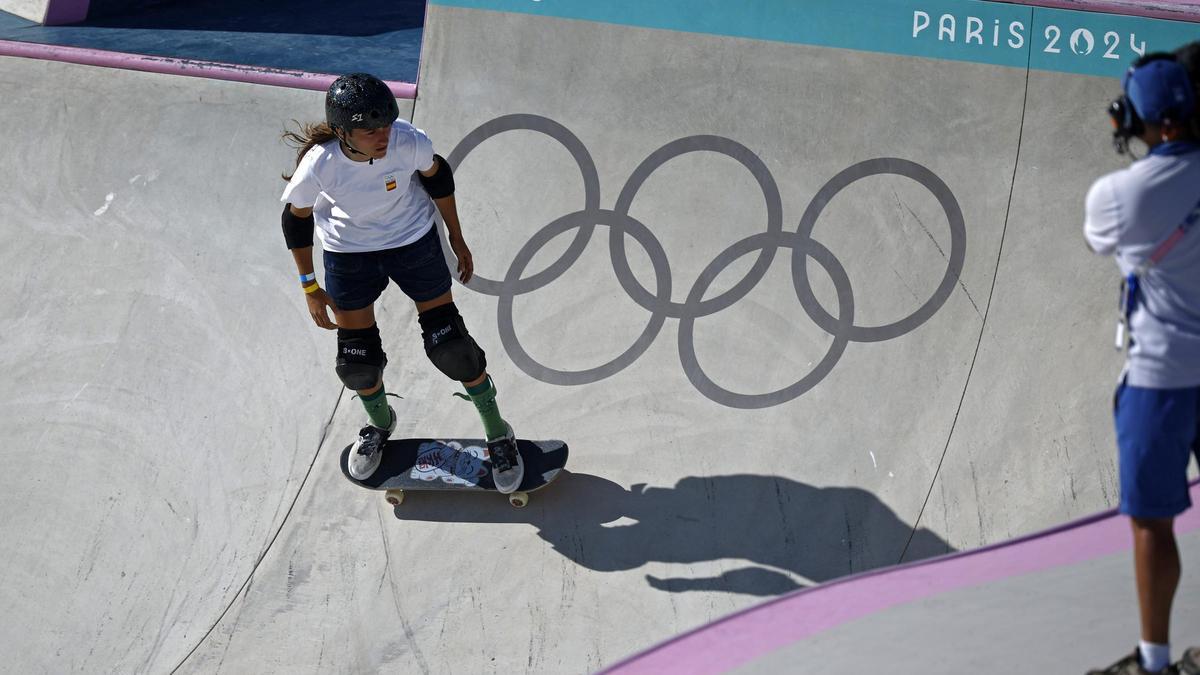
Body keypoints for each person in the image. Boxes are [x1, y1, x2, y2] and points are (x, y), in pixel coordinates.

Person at [278, 73, 524, 493]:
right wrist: (309, 286)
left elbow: (438, 176)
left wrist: (456, 236)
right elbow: (294, 219)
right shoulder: (321, 163)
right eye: (371, 130)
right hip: (349, 255)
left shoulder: (409, 141)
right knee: (357, 364)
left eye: (387, 125)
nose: (383, 136)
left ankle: (499, 432)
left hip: (412, 243)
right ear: (343, 132)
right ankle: (379, 424)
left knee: (453, 349)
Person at [1085, 53, 1200, 675]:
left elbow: (1099, 240)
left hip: (1159, 380)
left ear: (1136, 119)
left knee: (1152, 524)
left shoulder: (1116, 196)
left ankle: (1154, 663)